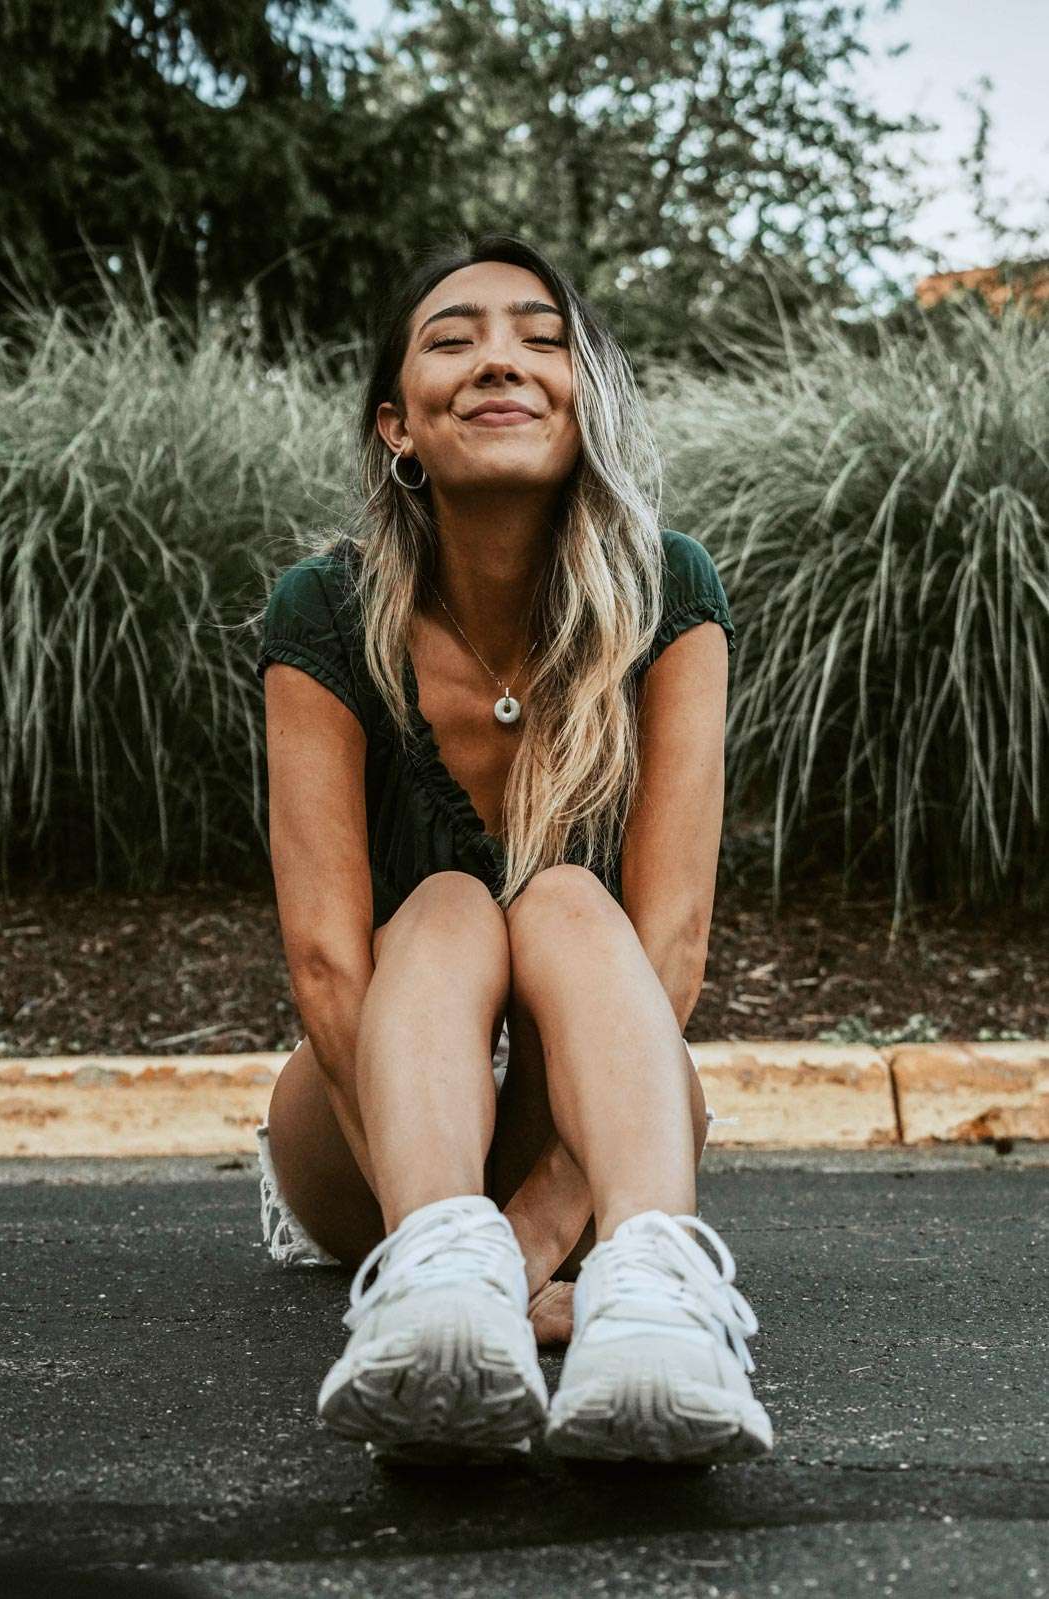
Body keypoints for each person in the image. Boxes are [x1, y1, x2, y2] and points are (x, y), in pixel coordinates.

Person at [253, 230, 773, 1467]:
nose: (501, 361)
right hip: (369, 1120)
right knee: (441, 901)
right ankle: (431, 1284)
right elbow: (327, 970)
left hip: (584, 1152)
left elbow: (671, 949)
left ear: (583, 401)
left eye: (542, 341)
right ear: (397, 425)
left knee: (566, 903)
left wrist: (533, 1238)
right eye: (454, 339)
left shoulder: (667, 595)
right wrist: (458, 1256)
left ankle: (657, 1303)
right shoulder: (318, 613)